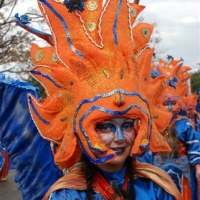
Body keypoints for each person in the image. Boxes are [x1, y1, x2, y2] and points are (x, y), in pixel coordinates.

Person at [0, 0, 183, 199]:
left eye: (128, 125)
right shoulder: (66, 195)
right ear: (79, 130)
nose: (120, 138)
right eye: (105, 127)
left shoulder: (157, 186)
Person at [142, 58, 200, 200]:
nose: (168, 107)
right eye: (165, 103)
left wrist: (197, 165)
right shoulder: (153, 124)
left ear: (178, 103)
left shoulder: (184, 124)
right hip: (158, 168)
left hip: (182, 168)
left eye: (172, 103)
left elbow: (194, 146)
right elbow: (146, 147)